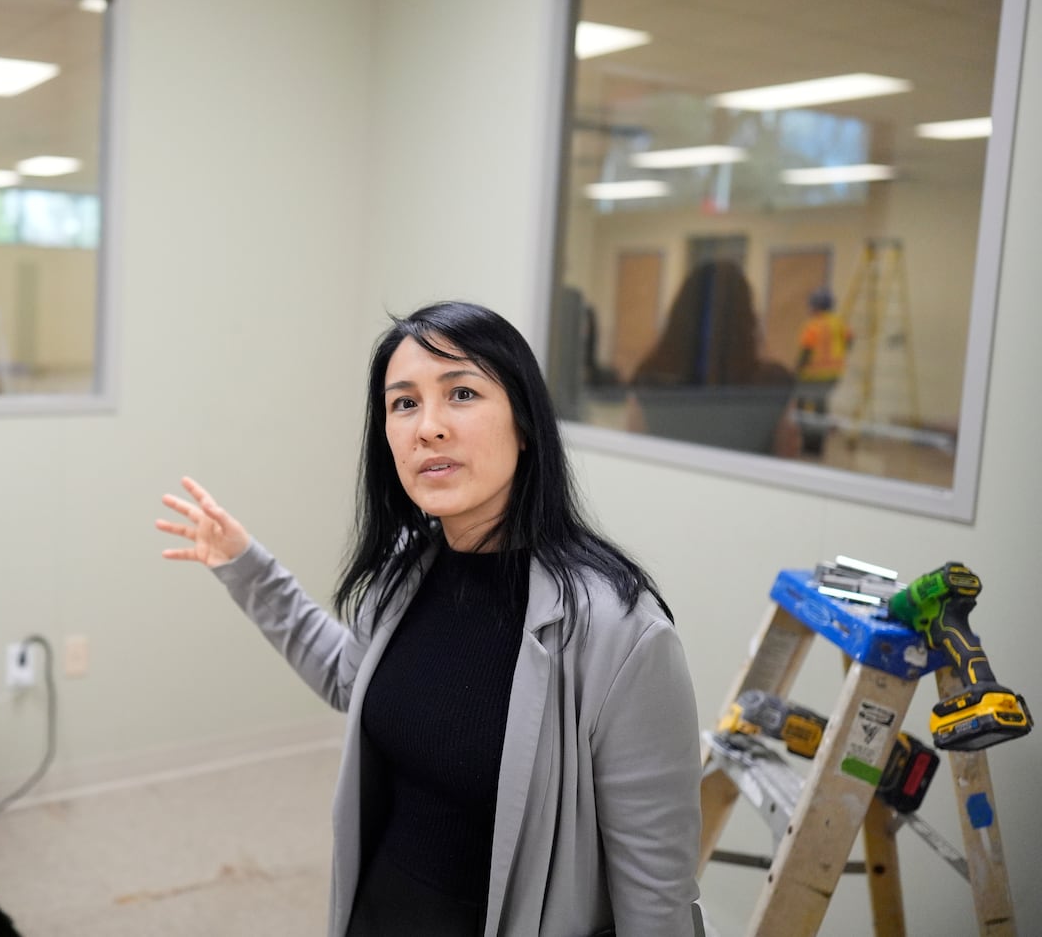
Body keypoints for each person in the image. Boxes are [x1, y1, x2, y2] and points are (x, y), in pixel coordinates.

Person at [157, 301, 702, 937]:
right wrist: (245, 566)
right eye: (404, 403)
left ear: (525, 423)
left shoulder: (620, 633)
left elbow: (656, 897)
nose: (428, 428)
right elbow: (346, 677)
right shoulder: (403, 570)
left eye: (462, 393)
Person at [629, 260, 796, 456]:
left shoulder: (650, 378)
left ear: (679, 316)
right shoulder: (772, 385)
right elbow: (786, 459)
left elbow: (633, 450)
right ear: (748, 317)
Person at [793, 286, 851, 456]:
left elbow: (806, 351)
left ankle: (807, 445)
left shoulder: (813, 325)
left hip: (812, 375)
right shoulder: (839, 323)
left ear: (816, 306)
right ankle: (817, 447)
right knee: (821, 408)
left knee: (803, 408)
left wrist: (797, 369)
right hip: (833, 374)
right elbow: (849, 340)